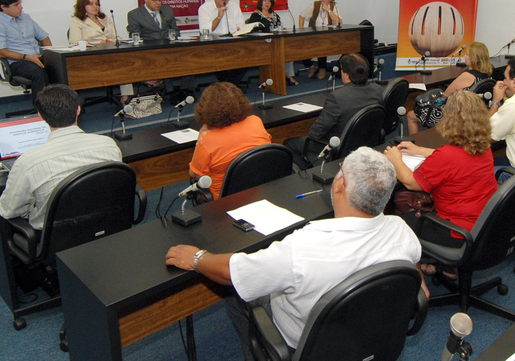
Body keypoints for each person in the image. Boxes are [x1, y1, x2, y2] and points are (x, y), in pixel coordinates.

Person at [165, 147, 424, 361]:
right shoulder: (402, 230)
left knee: (235, 295)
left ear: (340, 184)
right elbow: (421, 291)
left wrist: (197, 258)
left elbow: (231, 272)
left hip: (306, 347)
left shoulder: (302, 247)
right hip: (371, 338)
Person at [0, 84, 122, 229]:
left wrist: (33, 207)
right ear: (78, 110)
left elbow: (8, 211)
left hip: (59, 237)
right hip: (107, 226)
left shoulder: (27, 162)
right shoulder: (108, 145)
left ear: (41, 116)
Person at [385, 90, 497, 249]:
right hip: (485, 221)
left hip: (456, 230)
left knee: (394, 223)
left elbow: (410, 182)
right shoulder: (484, 147)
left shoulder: (447, 156)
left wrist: (395, 159)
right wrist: (420, 150)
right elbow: (459, 159)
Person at [283, 53, 382, 169]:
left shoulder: (337, 97)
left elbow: (315, 133)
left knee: (288, 145)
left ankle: (310, 172)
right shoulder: (377, 90)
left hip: (337, 148)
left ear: (346, 74)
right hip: (365, 142)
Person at [189, 82, 272, 200]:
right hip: (259, 189)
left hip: (223, 199)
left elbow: (195, 174)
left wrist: (201, 135)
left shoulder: (207, 140)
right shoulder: (256, 121)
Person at [407, 41, 493, 134]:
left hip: (455, 115)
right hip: (474, 115)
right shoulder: (487, 76)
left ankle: (416, 142)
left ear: (474, 58)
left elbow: (447, 94)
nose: (464, 56)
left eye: (467, 55)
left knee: (411, 116)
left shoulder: (468, 76)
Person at [0, 0, 52, 103]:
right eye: (16, 5)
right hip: (17, 62)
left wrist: (50, 54)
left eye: (20, 3)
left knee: (62, 65)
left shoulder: (26, 18)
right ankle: (42, 108)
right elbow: (2, 52)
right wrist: (27, 57)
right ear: (3, 7)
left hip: (37, 56)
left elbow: (44, 37)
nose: (21, 7)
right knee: (38, 71)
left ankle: (63, 105)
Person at [69, 0, 133, 102]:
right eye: (91, 4)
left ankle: (126, 99)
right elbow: (74, 42)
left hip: (110, 52)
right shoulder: (77, 21)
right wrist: (98, 44)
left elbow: (117, 37)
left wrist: (110, 41)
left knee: (125, 62)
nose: (95, 6)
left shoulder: (105, 19)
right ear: (82, 5)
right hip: (92, 56)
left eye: (97, 4)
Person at [198, 0, 249, 86]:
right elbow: (205, 31)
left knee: (248, 58)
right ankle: (230, 86)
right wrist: (219, 17)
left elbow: (241, 27)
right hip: (214, 46)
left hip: (233, 45)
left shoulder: (234, 7)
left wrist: (241, 30)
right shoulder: (205, 8)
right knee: (223, 64)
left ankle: (229, 86)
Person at [246, 0, 299, 85]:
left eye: (269, 1)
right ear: (260, 2)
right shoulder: (255, 16)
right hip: (263, 44)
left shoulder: (275, 15)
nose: (267, 3)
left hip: (276, 42)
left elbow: (279, 27)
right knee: (278, 52)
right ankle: (278, 76)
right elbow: (252, 30)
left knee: (288, 50)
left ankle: (288, 75)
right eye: (265, 1)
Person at [299, 0, 342, 80]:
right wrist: (301, 30)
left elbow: (338, 21)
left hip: (327, 36)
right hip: (313, 34)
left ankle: (322, 68)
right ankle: (311, 67)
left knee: (322, 43)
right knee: (300, 46)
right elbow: (302, 15)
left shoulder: (334, 6)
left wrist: (328, 10)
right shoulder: (315, 5)